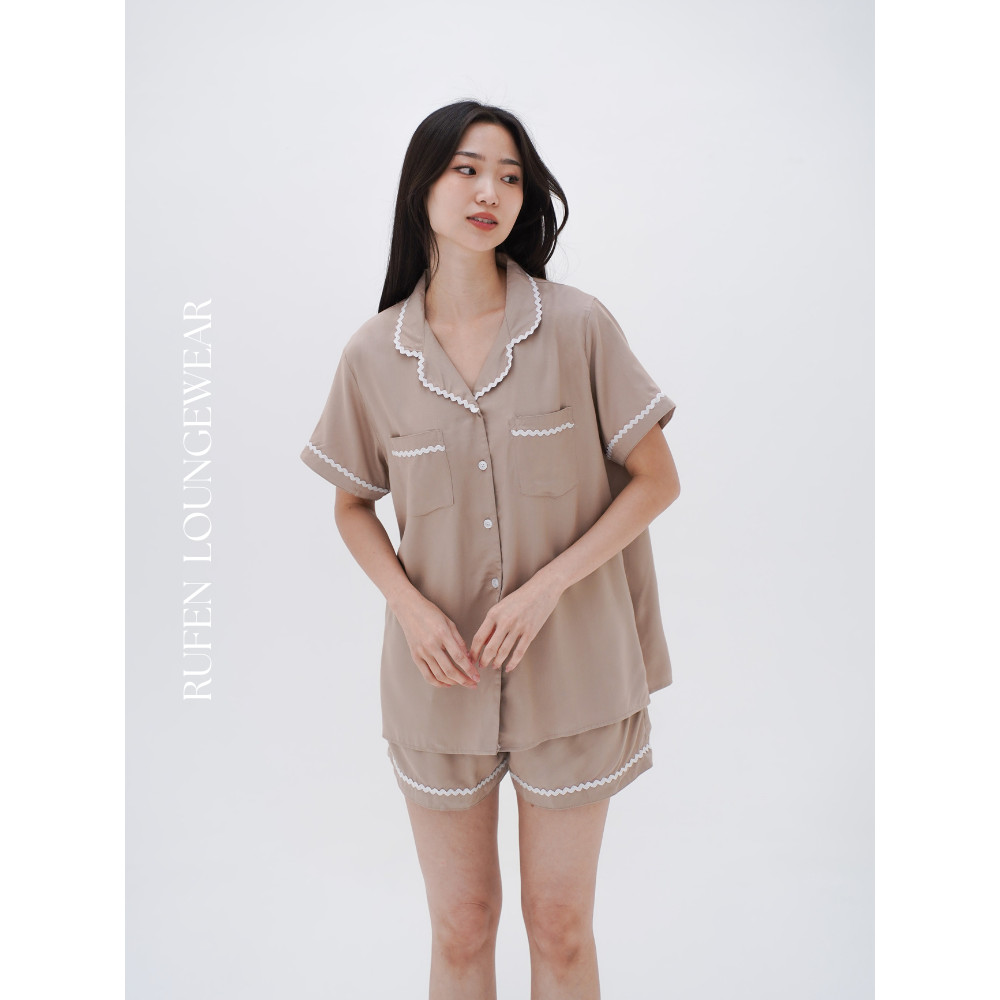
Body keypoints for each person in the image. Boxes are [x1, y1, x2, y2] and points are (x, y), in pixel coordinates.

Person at [300, 100, 681, 1000]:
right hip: (440, 686)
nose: (491, 193)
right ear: (421, 187)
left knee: (560, 928)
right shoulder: (373, 354)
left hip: (574, 673)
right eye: (467, 170)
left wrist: (547, 588)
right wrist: (409, 607)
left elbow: (656, 481)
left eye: (510, 177)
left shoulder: (578, 326)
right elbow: (353, 505)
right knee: (462, 927)